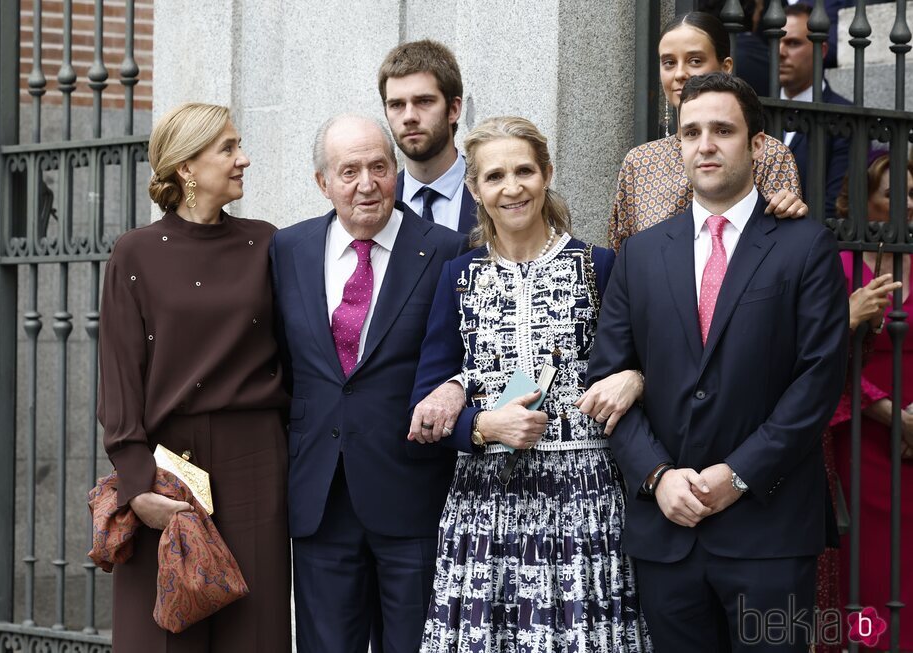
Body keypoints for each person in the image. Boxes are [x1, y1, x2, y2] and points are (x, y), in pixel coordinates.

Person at [588, 73, 848, 652]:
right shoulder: (641, 254)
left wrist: (737, 475)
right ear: (677, 143)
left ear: (757, 145)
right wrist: (655, 476)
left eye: (722, 130)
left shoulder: (805, 247)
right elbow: (604, 378)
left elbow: (819, 380)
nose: (704, 144)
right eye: (691, 132)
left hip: (770, 532)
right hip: (667, 532)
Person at [409, 116, 652, 652]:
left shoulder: (598, 266)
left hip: (583, 496)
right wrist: (481, 426)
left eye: (524, 171)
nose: (511, 187)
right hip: (486, 502)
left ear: (546, 174)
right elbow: (424, 399)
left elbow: (647, 360)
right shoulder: (459, 276)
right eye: (494, 176)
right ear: (474, 188)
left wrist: (635, 377)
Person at [269, 113, 467, 653]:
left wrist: (457, 387)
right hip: (320, 498)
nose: (366, 184)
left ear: (396, 171)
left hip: (412, 495)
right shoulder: (288, 250)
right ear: (322, 182)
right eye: (349, 170)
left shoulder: (447, 251)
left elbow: (475, 353)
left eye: (379, 167)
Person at [97, 102, 291, 651]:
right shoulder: (133, 254)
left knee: (255, 633)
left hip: (255, 458)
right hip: (166, 467)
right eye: (228, 148)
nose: (243, 159)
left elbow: (296, 358)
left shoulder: (267, 244)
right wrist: (137, 487)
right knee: (161, 632)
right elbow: (119, 378)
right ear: (186, 167)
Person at [608, 11, 806, 254]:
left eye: (694, 61)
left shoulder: (768, 155)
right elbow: (621, 257)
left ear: (725, 68)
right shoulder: (638, 163)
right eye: (669, 62)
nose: (680, 73)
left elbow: (783, 250)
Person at [832, 151, 913, 652]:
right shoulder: (839, 265)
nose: (906, 204)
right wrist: (891, 414)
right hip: (862, 433)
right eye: (892, 195)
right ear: (865, 203)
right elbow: (821, 352)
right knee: (868, 559)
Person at [378, 39, 477, 235]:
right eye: (396, 105)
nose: (409, 117)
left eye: (424, 101)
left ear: (454, 109)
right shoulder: (377, 202)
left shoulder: (496, 193)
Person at [778, 4, 852, 220]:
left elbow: (836, 206)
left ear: (821, 50)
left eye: (793, 43)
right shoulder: (754, 111)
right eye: (775, 41)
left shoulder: (844, 116)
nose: (780, 52)